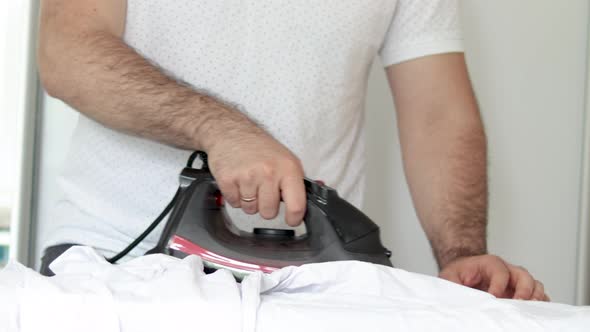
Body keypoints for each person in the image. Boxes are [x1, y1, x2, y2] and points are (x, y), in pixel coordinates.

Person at [37, 0, 549, 301]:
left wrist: (463, 256)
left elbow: (436, 112)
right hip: (115, 263)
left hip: (319, 286)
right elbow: (66, 52)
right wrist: (219, 129)